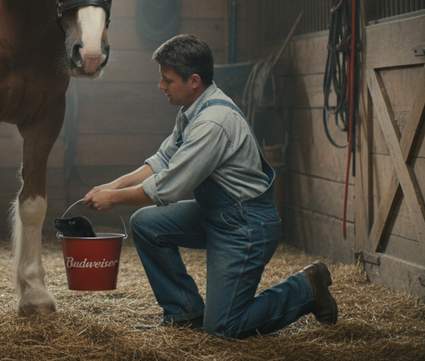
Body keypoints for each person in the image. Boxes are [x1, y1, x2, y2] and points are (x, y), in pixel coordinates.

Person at [83, 34, 338, 338]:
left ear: (193, 80)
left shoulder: (212, 123)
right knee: (145, 225)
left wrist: (113, 200)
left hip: (245, 225)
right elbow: (162, 160)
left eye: (167, 79)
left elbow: (168, 188)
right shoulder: (192, 111)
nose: (161, 86)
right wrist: (111, 186)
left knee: (224, 328)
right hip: (216, 214)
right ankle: (183, 311)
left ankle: (306, 288)